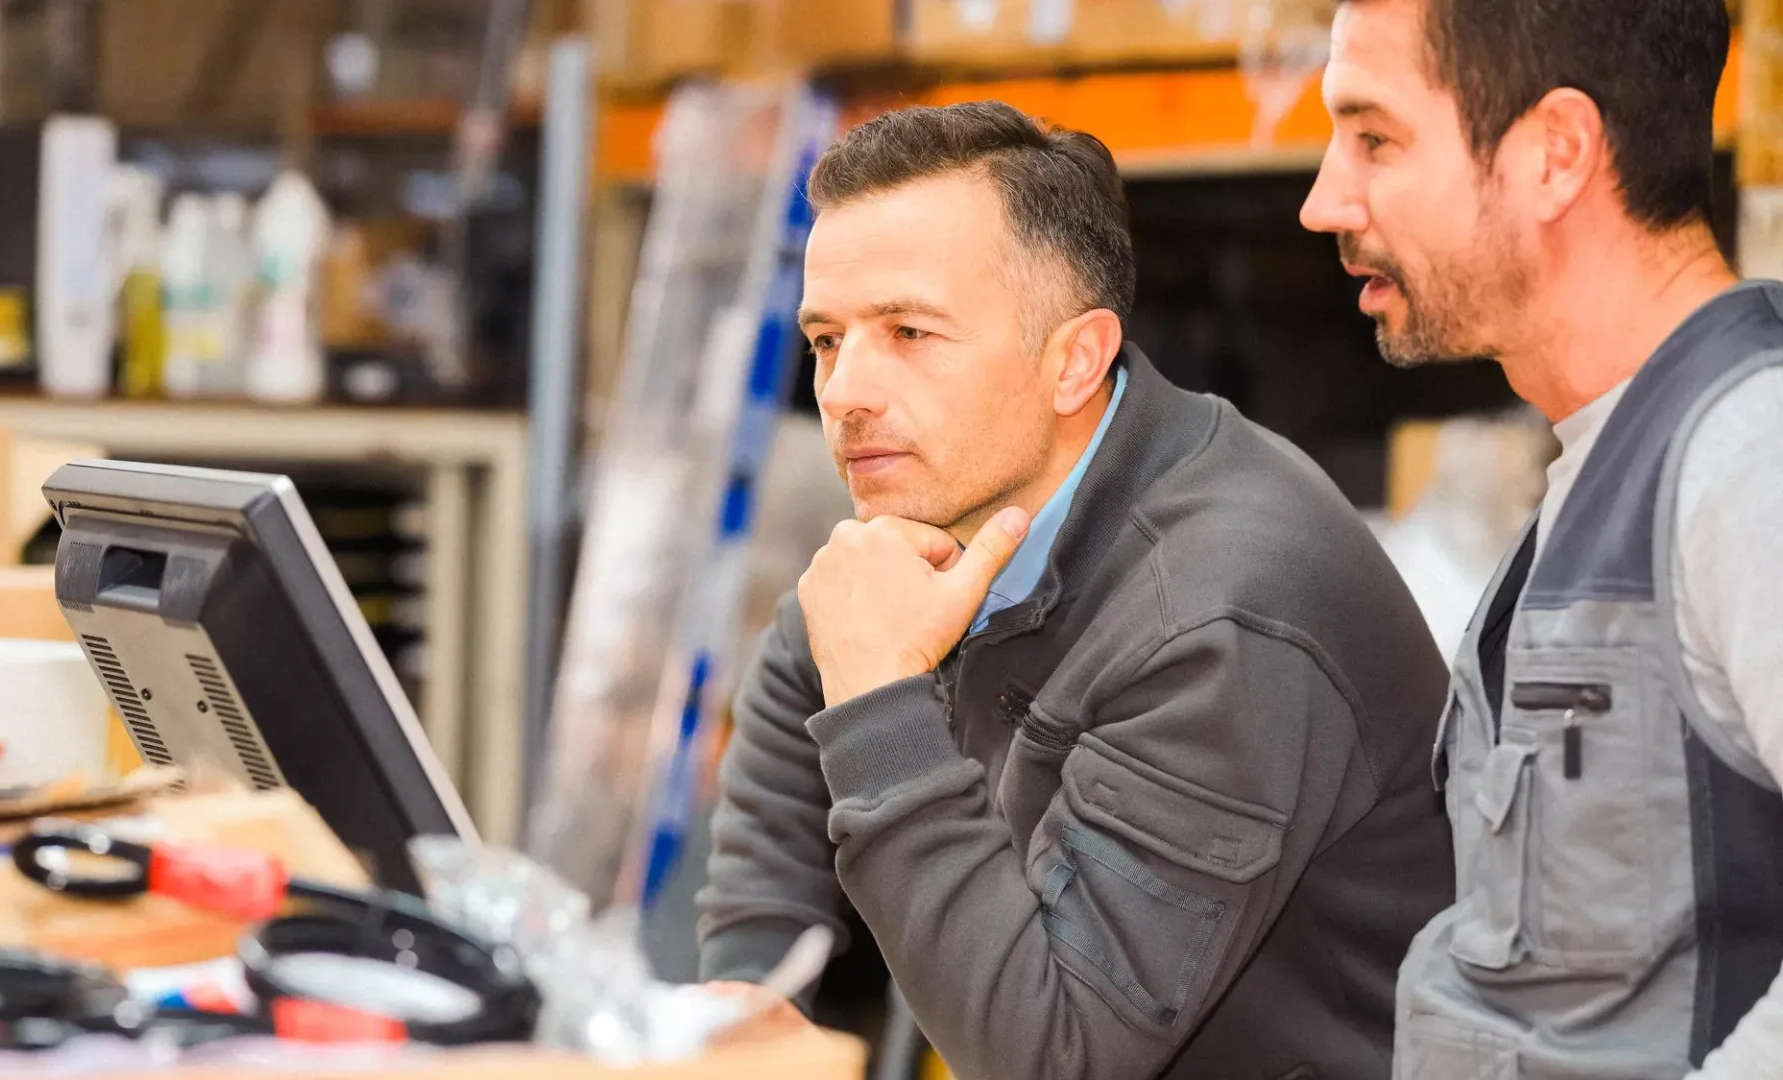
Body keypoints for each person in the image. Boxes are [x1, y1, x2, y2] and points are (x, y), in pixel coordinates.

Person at [696, 100, 1454, 1080]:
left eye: (910, 332)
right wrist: (748, 1020)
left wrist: (883, 708)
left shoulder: (1222, 615)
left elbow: (1056, 1061)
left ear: (1074, 361)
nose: (842, 393)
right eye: (829, 340)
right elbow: (804, 676)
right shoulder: (948, 510)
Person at [1300, 0, 1783, 1076]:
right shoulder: (1614, 451)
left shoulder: (1748, 454)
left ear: (1555, 155)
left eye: (1375, 137)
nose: (1324, 201)